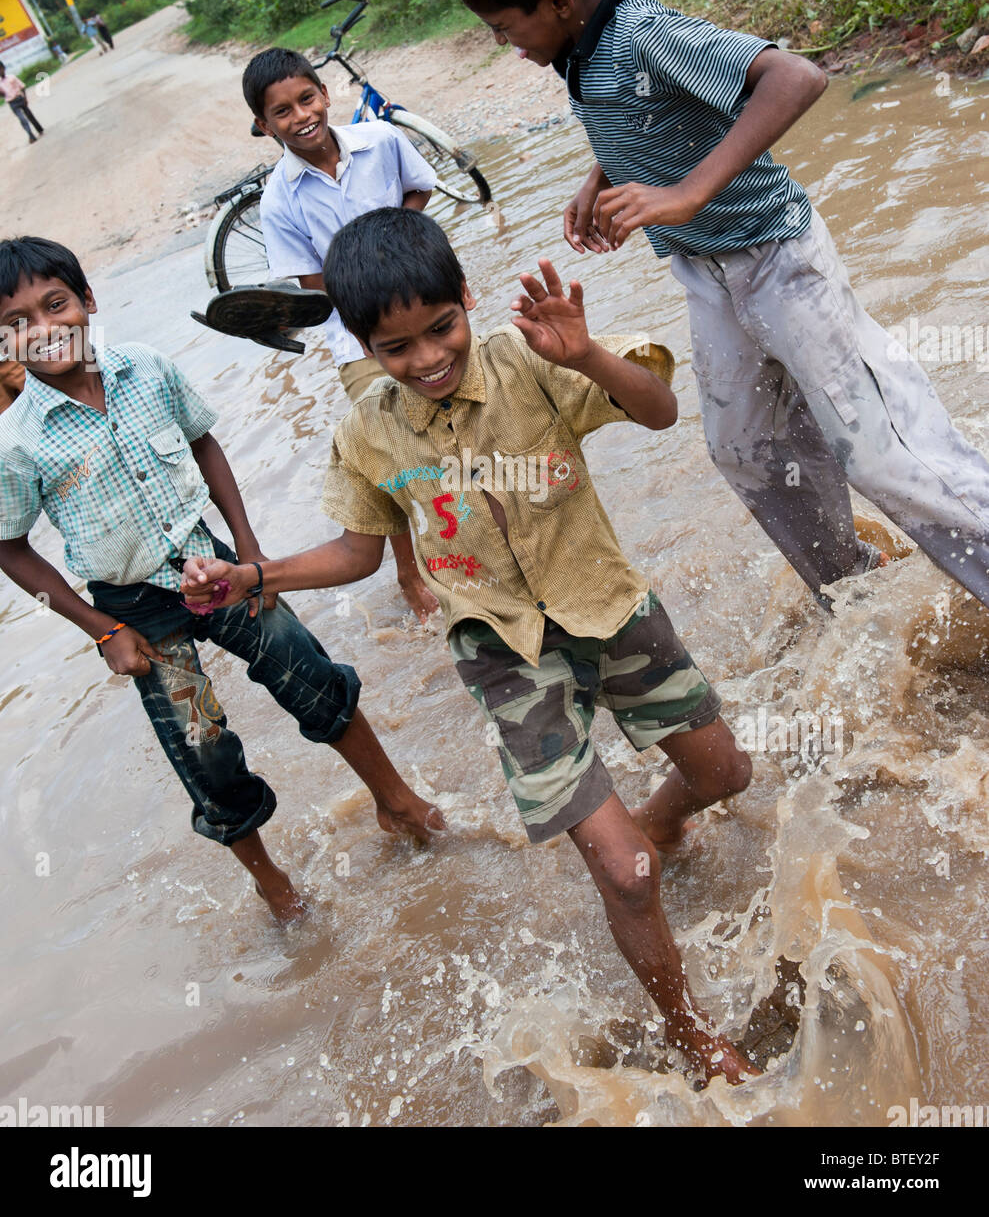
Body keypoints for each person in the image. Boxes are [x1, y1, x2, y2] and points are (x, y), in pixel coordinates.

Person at [181, 207, 758, 1085]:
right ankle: (690, 1034)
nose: (425, 360)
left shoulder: (533, 357)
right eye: (396, 347)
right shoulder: (368, 428)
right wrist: (252, 578)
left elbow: (658, 410)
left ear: (466, 300)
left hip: (605, 605)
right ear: (363, 346)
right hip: (503, 652)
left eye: (440, 329)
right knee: (626, 873)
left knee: (725, 774)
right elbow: (355, 553)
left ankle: (658, 818)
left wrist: (587, 356)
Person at [450, 0, 989, 612]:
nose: (498, 41)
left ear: (555, 2)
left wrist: (687, 193)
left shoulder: (645, 32)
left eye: (501, 25)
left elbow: (796, 77)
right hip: (705, 274)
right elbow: (644, 115)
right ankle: (855, 591)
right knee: (748, 453)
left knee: (884, 455)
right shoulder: (581, 45)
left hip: (778, 261)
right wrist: (599, 175)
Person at [0, 235, 444, 924]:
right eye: (16, 321)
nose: (42, 329)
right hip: (130, 605)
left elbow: (204, 442)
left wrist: (249, 551)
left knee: (307, 669)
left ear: (86, 300)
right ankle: (273, 884)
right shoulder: (17, 440)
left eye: (54, 304)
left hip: (209, 565)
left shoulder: (145, 368)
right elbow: (10, 547)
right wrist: (103, 630)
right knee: (201, 750)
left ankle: (395, 799)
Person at [236, 46, 441, 622]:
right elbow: (314, 284)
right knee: (394, 453)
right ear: (263, 124)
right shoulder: (279, 201)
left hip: (424, 306)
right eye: (282, 111)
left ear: (325, 95)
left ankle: (485, 540)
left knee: (466, 429)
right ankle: (407, 569)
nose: (300, 116)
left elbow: (419, 192)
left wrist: (403, 243)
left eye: (307, 98)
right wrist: (371, 309)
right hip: (355, 338)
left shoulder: (381, 141)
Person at [0, 62, 44, 144]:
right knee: (22, 119)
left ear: (4, 68)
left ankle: (39, 129)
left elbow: (22, 86)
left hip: (20, 98)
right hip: (12, 103)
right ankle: (31, 136)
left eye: (0, 69)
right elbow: (3, 94)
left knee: (29, 115)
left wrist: (25, 98)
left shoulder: (11, 77)